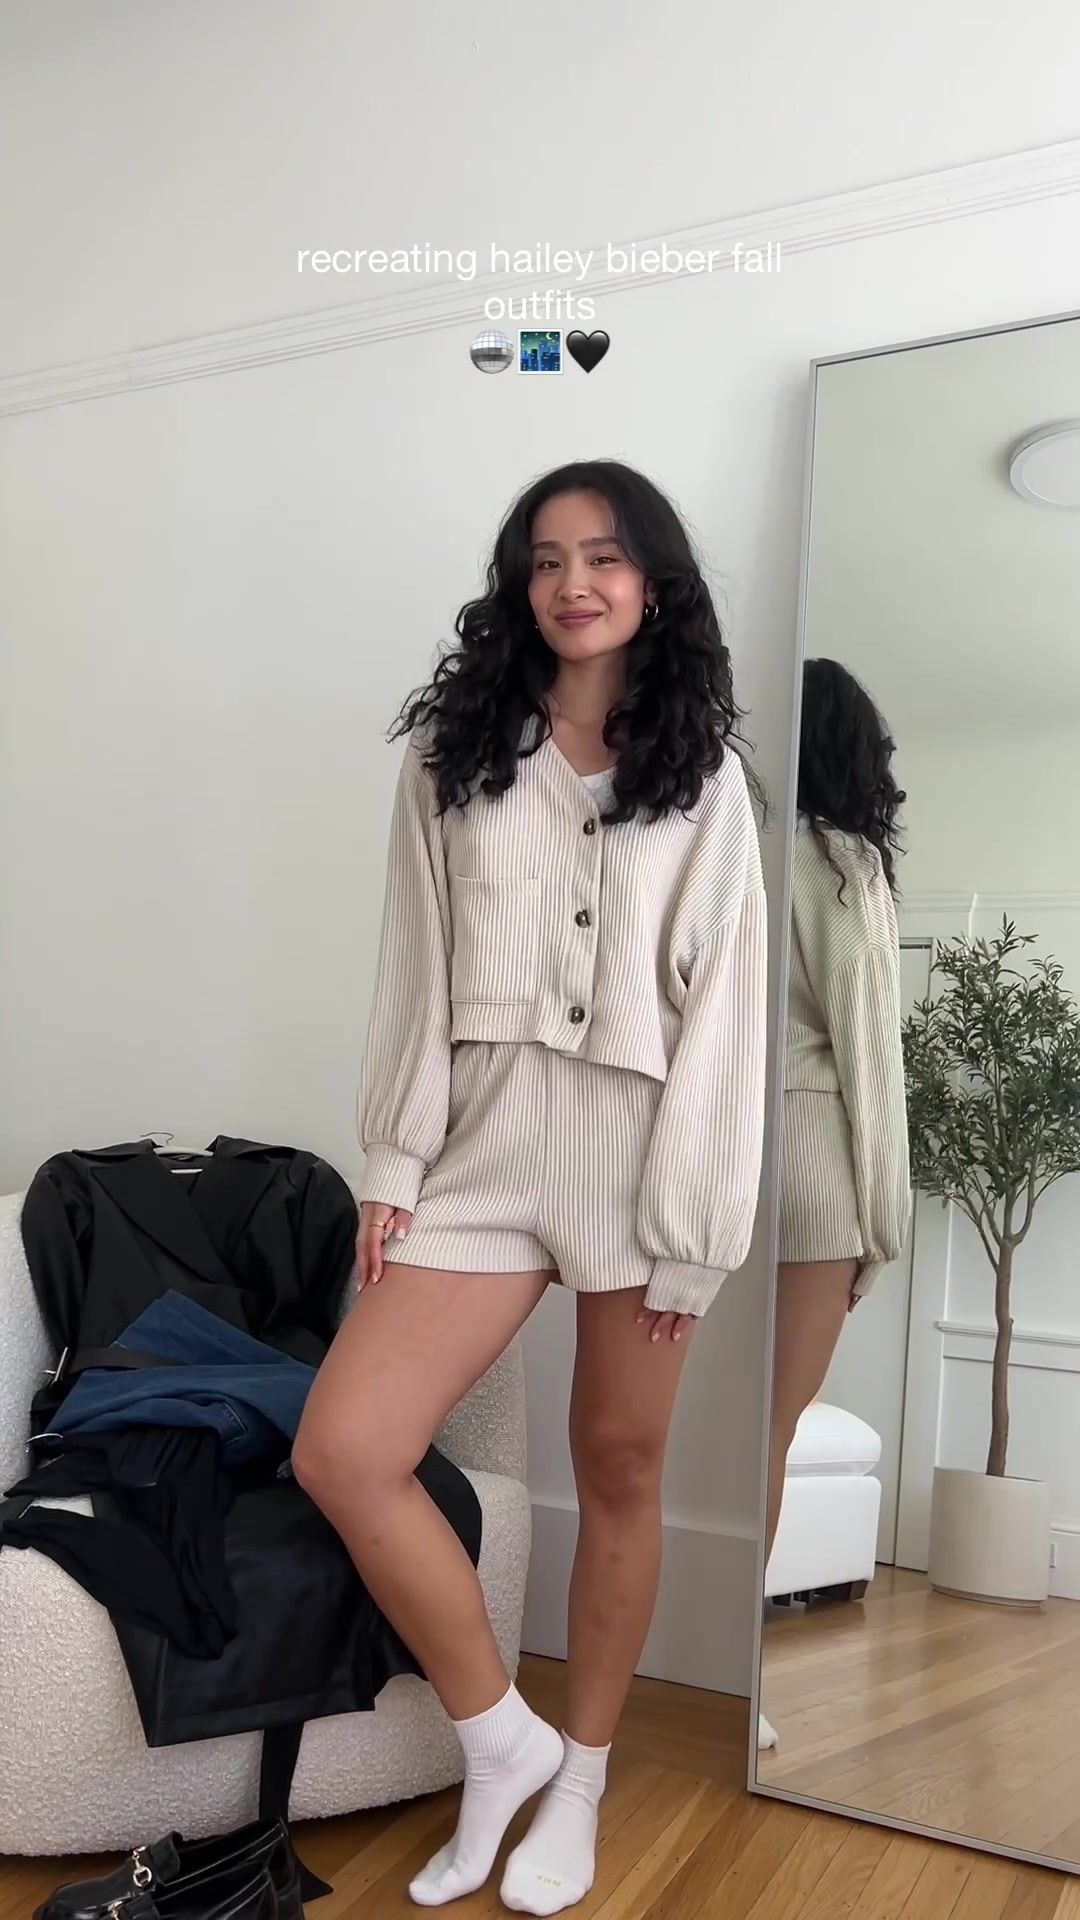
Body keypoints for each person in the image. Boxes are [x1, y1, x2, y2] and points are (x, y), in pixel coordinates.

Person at [292, 459, 769, 1913]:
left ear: (653, 583)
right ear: (519, 585)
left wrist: (694, 1233)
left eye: (605, 556)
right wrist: (394, 1159)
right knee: (346, 1450)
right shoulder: (452, 760)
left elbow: (726, 1013)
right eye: (547, 559)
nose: (575, 583)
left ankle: (584, 1780)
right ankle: (502, 1736)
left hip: (640, 1160)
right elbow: (415, 967)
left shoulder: (707, 778)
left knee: (620, 1472)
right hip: (483, 1153)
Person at [760, 656, 911, 1751]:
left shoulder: (730, 847)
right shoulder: (842, 863)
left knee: (698, 1433)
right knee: (768, 1434)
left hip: (715, 1154)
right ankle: (739, 1677)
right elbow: (869, 1054)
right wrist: (883, 1226)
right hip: (813, 1164)